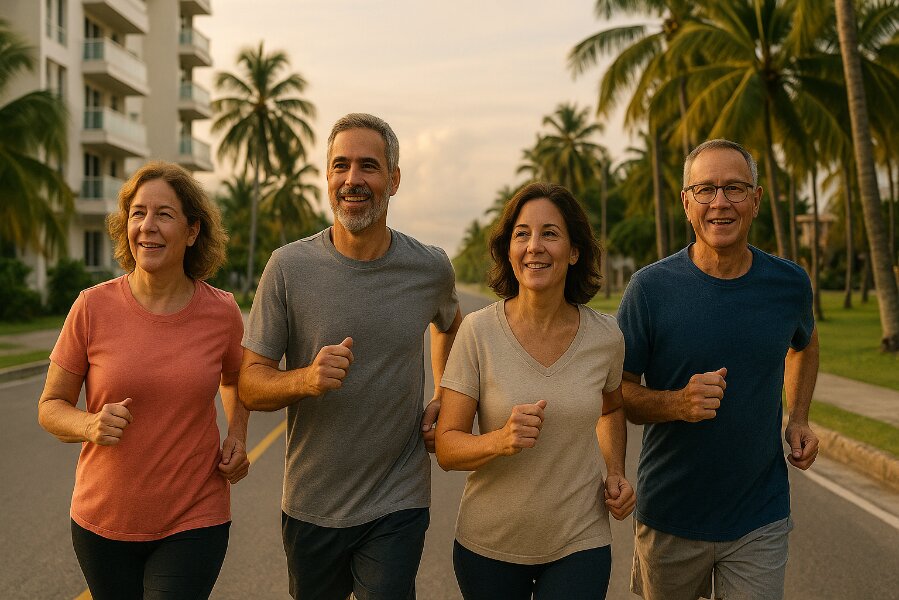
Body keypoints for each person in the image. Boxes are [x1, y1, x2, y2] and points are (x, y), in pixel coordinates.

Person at [239, 112, 461, 600]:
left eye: (368, 166)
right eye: (341, 166)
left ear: (394, 179)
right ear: (327, 177)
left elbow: (451, 325)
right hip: (311, 502)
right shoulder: (288, 268)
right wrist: (304, 380)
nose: (353, 180)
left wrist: (444, 391)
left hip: (397, 495)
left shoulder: (429, 268)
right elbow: (250, 384)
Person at [37, 161, 250, 599]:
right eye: (138, 213)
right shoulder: (91, 307)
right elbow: (50, 406)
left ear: (193, 231)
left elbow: (235, 380)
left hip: (195, 515)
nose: (147, 227)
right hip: (103, 520)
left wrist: (237, 437)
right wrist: (88, 424)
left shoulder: (222, 311)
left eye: (164, 215)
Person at [617, 139, 819, 600]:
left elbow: (804, 345)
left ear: (756, 199)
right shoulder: (649, 289)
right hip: (670, 514)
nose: (720, 203)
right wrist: (676, 403)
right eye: (705, 190)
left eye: (734, 188)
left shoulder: (789, 284)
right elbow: (617, 395)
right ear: (687, 202)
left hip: (759, 515)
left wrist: (800, 416)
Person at [435, 182, 636, 600]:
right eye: (522, 234)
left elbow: (612, 408)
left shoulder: (606, 337)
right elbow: (448, 447)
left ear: (574, 251)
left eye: (550, 233)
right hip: (488, 545)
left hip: (580, 540)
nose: (534, 246)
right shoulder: (478, 332)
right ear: (508, 250)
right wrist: (500, 440)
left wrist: (614, 470)